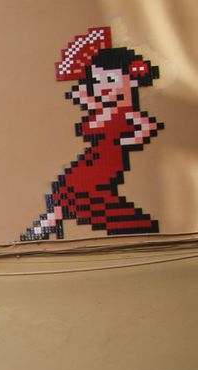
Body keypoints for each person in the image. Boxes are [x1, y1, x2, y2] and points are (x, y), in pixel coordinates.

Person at [22, 42, 162, 240]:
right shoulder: (104, 110)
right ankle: (49, 223)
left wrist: (127, 141)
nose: (103, 87)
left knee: (77, 194)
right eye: (97, 81)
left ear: (130, 81)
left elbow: (148, 126)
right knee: (70, 190)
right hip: (94, 158)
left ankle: (48, 224)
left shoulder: (126, 113)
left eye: (110, 80)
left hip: (109, 160)